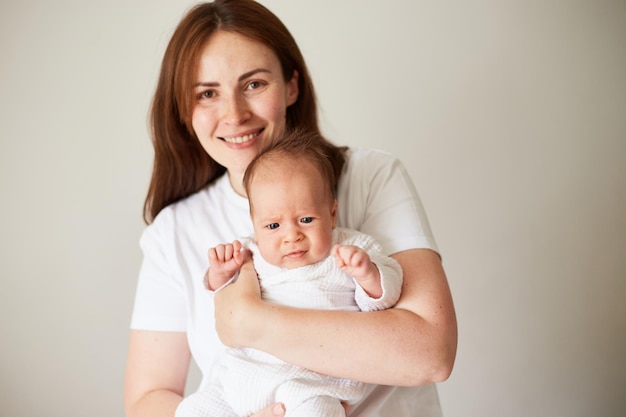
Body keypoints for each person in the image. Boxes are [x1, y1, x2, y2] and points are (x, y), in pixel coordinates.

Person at [124, 1, 458, 417]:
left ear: (291, 86)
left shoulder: (370, 177)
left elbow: (431, 354)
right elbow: (146, 399)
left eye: (254, 84)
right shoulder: (174, 231)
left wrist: (247, 320)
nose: (234, 114)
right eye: (207, 93)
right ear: (183, 110)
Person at [176, 133, 404, 417]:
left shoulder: (351, 248)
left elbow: (386, 297)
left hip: (311, 383)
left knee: (318, 411)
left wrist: (368, 274)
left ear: (332, 214)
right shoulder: (250, 253)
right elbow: (222, 298)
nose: (291, 236)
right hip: (242, 377)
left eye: (306, 220)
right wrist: (219, 273)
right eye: (272, 226)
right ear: (255, 225)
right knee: (191, 410)